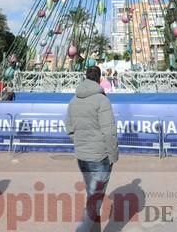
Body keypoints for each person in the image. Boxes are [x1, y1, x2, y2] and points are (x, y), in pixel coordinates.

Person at [65, 65, 119, 232]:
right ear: (99, 79)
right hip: (100, 157)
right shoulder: (102, 100)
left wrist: (80, 142)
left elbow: (69, 127)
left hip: (82, 157)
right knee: (94, 203)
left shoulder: (74, 100)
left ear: (86, 77)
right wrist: (113, 155)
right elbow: (109, 131)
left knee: (92, 197)